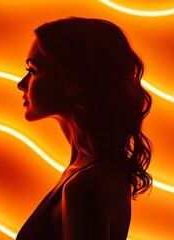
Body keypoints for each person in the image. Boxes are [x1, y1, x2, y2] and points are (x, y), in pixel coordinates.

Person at [16, 17, 152, 240]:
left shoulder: (85, 185)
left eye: (33, 70)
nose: (21, 83)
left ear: (71, 80)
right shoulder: (88, 173)